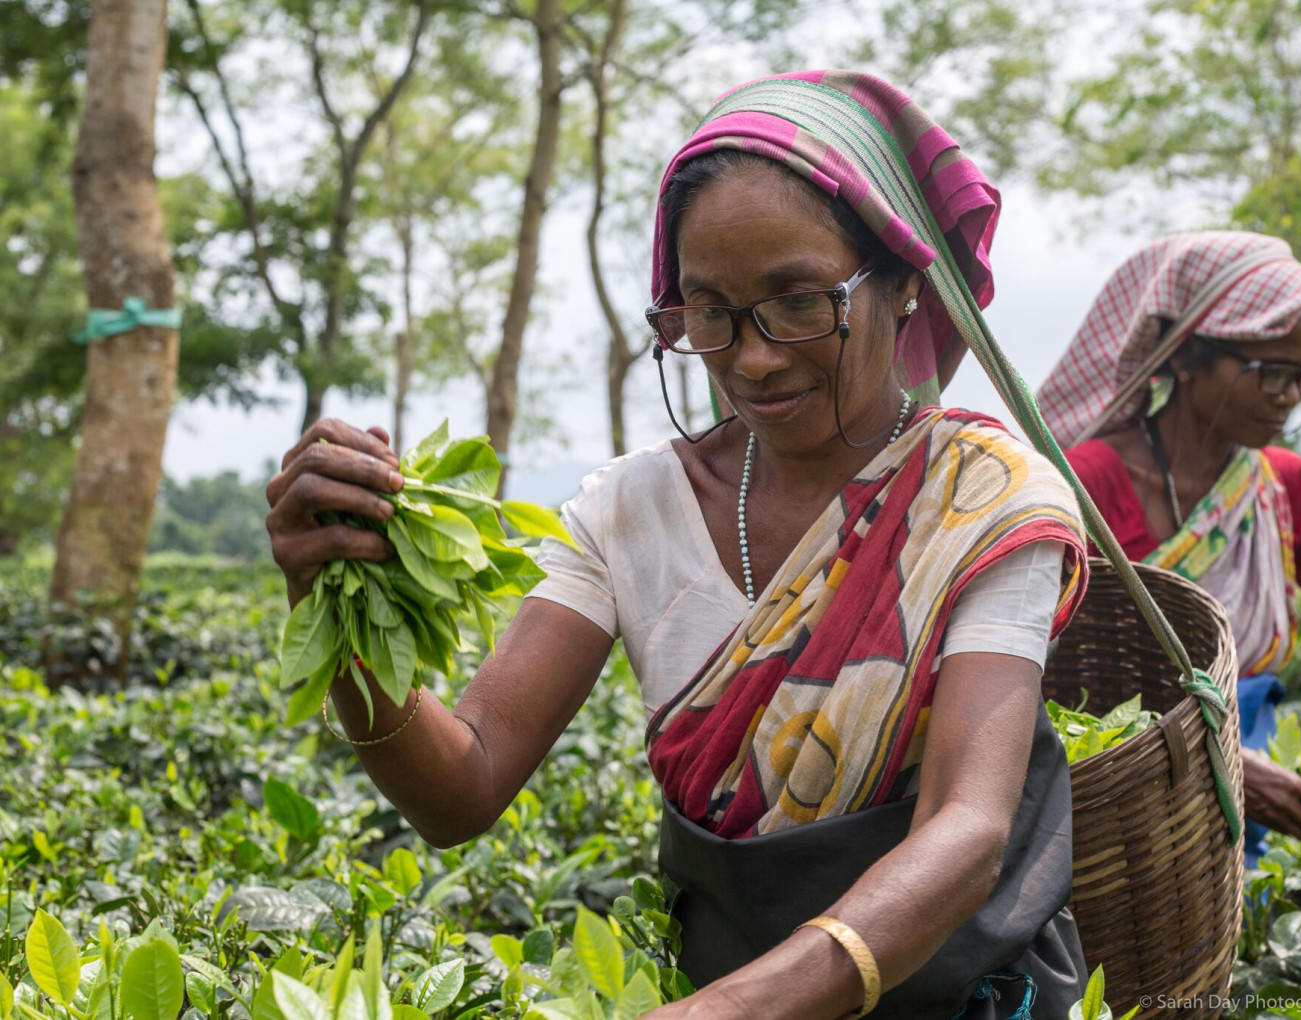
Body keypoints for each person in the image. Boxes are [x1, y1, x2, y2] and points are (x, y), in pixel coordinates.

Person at [268, 70, 1092, 1018]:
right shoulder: (630, 510)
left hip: (956, 996)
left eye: (797, 301)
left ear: (904, 281)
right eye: (710, 313)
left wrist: (730, 1011)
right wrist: (331, 595)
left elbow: (968, 825)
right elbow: (465, 784)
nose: (753, 357)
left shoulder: (984, 499)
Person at [1038, 231, 1301, 867]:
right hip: (1117, 813)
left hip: (1259, 803)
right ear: (1184, 358)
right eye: (1270, 372)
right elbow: (1036, 680)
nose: (1290, 396)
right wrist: (1221, 756)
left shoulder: (1286, 490)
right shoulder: (1085, 485)